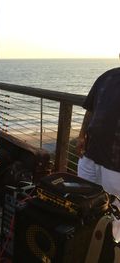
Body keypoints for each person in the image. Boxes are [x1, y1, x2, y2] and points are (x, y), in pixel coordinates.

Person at [77, 67, 120, 242]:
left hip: (116, 166)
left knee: (114, 214)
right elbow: (91, 110)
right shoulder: (107, 77)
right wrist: (81, 135)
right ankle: (84, 245)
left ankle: (111, 251)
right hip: (90, 156)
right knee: (83, 202)